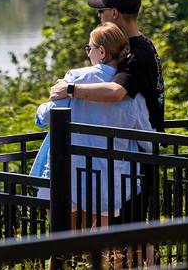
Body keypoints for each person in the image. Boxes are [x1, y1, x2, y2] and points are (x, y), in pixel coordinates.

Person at [50, 0, 165, 224]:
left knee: (135, 233)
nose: (99, 18)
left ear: (114, 13)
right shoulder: (143, 45)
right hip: (139, 149)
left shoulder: (136, 54)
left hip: (141, 153)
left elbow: (116, 92)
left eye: (101, 12)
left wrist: (70, 89)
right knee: (133, 231)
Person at [31, 22, 154, 227]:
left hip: (69, 173)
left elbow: (47, 117)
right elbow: (147, 139)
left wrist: (40, 109)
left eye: (89, 48)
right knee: (99, 248)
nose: (88, 53)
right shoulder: (130, 91)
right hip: (109, 179)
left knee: (63, 242)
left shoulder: (76, 78)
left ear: (102, 51)